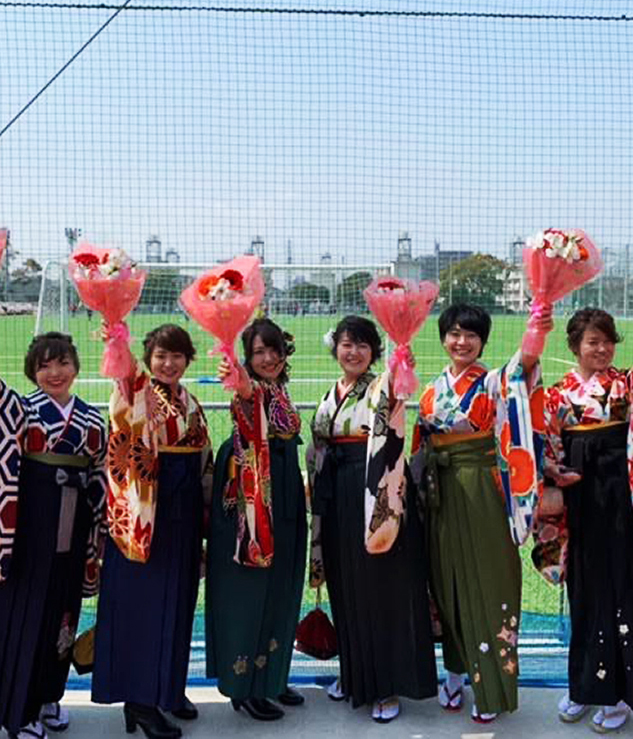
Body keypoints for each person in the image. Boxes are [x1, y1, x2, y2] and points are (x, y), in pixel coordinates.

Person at [537, 307, 633, 733]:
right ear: (575, 346)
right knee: (584, 588)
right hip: (579, 496)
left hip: (621, 495)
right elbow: (546, 445)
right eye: (592, 341)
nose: (601, 348)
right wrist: (553, 475)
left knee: (622, 588)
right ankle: (584, 685)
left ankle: (618, 693)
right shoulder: (557, 394)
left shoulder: (627, 384)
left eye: (607, 341)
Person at [413, 303, 548, 724]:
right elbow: (418, 444)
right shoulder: (431, 389)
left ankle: (491, 685)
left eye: (471, 335)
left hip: (482, 490)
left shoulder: (493, 381)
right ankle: (455, 672)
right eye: (454, 333)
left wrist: (537, 325)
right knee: (446, 581)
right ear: (443, 339)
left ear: (483, 341)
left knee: (490, 582)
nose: (462, 342)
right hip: (440, 493)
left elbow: (524, 364)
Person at [0, 330, 106, 739]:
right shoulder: (25, 409)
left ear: (75, 366)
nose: (54, 372)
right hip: (30, 524)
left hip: (76, 524)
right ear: (33, 372)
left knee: (63, 612)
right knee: (29, 613)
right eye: (44, 365)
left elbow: (101, 474)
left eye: (62, 362)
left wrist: (105, 529)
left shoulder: (91, 417)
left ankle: (50, 694)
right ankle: (23, 709)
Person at [307, 315, 437, 724]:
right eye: (347, 344)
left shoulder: (383, 384)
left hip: (376, 493)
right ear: (336, 349)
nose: (354, 352)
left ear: (374, 352)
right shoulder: (333, 393)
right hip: (337, 494)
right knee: (345, 585)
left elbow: (400, 388)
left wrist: (402, 359)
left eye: (363, 345)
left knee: (379, 588)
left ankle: (384, 685)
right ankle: (353, 674)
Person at [91, 324, 212, 739]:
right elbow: (122, 388)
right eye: (160, 355)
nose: (168, 363)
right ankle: (140, 701)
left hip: (184, 505)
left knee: (179, 599)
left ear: (188, 359)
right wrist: (116, 336)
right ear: (147, 359)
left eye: (177, 356)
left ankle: (167, 688)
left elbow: (204, 459)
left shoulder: (189, 400)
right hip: (145, 508)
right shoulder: (136, 390)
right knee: (145, 603)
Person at [205, 319, 307, 721]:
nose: (267, 359)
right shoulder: (250, 390)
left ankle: (270, 678)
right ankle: (242, 685)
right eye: (258, 352)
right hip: (250, 490)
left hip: (281, 488)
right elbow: (248, 399)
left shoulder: (279, 390)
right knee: (249, 586)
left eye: (273, 350)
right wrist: (240, 379)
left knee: (281, 583)